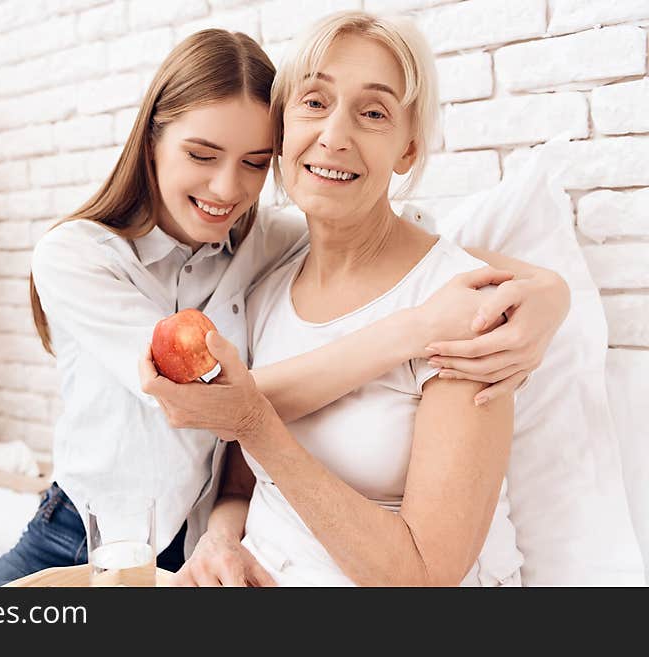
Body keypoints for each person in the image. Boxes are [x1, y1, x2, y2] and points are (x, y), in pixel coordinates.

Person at [0, 27, 568, 587]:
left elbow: (419, 246)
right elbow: (193, 399)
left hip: (190, 545)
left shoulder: (267, 241)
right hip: (82, 533)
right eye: (201, 155)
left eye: (253, 163)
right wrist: (410, 331)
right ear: (150, 142)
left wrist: (548, 294)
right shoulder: (79, 255)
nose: (227, 190)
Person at [141, 12, 542, 586]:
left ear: (407, 150)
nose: (334, 135)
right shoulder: (263, 291)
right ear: (281, 132)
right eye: (313, 102)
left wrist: (257, 422)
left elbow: (424, 576)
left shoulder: (462, 308)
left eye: (373, 112)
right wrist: (219, 540)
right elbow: (238, 483)